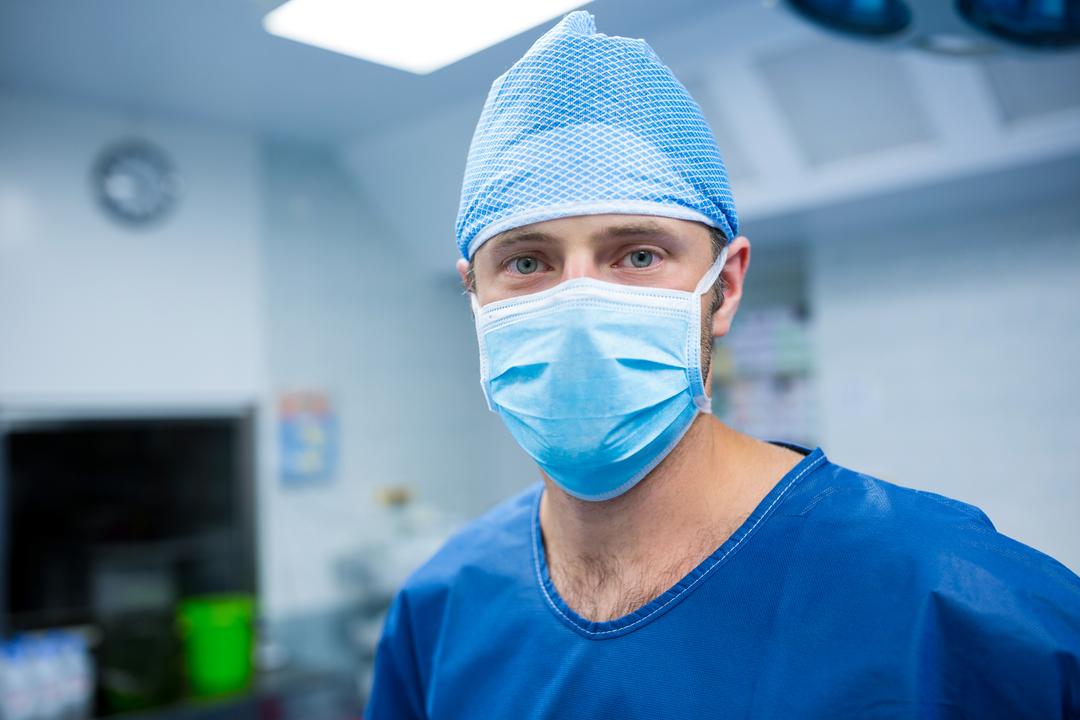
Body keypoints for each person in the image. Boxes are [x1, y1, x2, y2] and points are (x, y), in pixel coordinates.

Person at [365, 11, 1080, 719]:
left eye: (638, 255)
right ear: (475, 294)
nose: (579, 303)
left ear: (725, 286)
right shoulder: (440, 611)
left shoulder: (962, 608)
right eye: (527, 261)